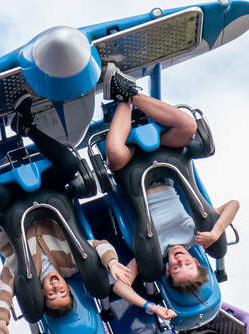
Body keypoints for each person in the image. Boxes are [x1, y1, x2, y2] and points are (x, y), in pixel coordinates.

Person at [0, 99, 173, 334]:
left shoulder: (21, 269)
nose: (56, 287)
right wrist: (111, 263)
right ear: (68, 288)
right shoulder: (70, 264)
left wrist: (1, 322)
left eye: (51, 295)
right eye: (62, 292)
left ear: (42, 294)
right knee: (69, 165)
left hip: (12, 202)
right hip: (48, 192)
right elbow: (98, 245)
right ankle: (27, 127)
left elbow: (4, 292)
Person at [101, 66, 238, 290]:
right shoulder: (195, 235)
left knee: (114, 155)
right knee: (188, 126)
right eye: (186, 263)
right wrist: (216, 231)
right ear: (194, 260)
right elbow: (233, 205)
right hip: (164, 166)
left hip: (132, 172)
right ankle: (129, 92)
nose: (178, 259)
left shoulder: (152, 251)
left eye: (175, 267)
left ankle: (121, 95)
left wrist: (148, 304)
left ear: (167, 270)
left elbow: (120, 286)